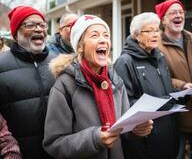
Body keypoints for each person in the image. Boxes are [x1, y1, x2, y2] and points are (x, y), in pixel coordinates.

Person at [43, 14, 153, 159]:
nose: (103, 40)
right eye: (94, 35)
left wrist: (136, 129)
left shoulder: (115, 80)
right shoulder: (64, 86)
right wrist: (95, 139)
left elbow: (124, 129)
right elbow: (54, 143)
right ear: (80, 47)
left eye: (106, 35)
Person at [114, 12, 179, 159]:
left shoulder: (160, 57)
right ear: (137, 35)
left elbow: (165, 90)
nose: (155, 34)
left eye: (157, 30)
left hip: (168, 134)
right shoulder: (124, 62)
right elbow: (124, 103)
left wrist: (181, 94)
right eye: (149, 31)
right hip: (145, 141)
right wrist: (161, 102)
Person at [0, 6, 56, 159]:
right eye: (30, 25)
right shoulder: (1, 65)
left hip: (57, 153)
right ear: (16, 33)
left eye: (42, 25)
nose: (39, 29)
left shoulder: (58, 63)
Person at [155, 0, 192, 159]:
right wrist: (182, 85)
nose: (179, 15)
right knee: (177, 154)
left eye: (181, 12)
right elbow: (159, 76)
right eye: (173, 12)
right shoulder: (157, 45)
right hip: (177, 113)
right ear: (163, 19)